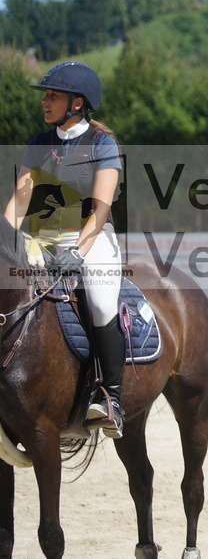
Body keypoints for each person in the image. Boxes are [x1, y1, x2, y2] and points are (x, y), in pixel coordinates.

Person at [2, 61, 125, 438]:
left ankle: (110, 396)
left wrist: (79, 250)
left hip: (90, 239)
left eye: (53, 96)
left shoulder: (103, 144)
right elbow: (20, 200)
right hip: (41, 240)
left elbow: (101, 207)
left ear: (77, 103)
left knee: (102, 302)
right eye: (46, 96)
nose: (45, 102)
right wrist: (5, 236)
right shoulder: (39, 145)